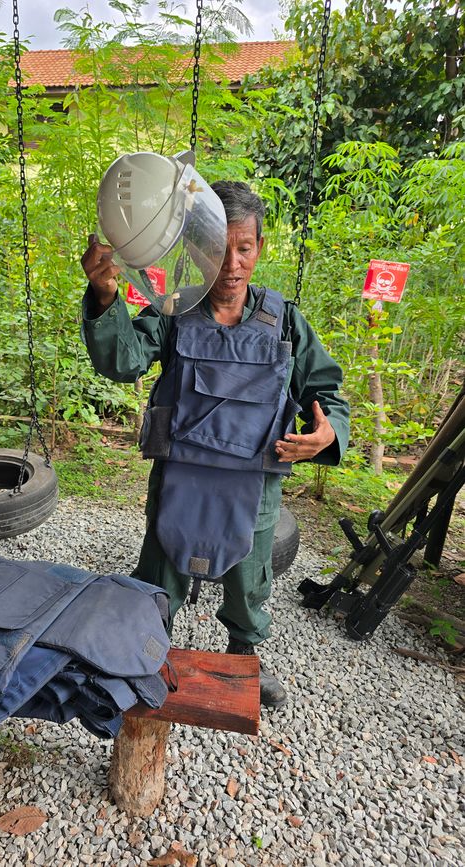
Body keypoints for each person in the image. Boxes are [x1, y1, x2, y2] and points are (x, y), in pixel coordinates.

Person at [80, 181, 350, 708]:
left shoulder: (284, 321)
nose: (231, 264)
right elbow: (123, 361)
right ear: (195, 249)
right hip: (182, 473)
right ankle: (142, 649)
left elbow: (325, 392)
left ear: (260, 247)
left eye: (244, 248)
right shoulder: (175, 311)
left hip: (256, 480)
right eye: (217, 248)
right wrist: (106, 296)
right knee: (160, 571)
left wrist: (328, 431)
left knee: (251, 581)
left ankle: (244, 656)